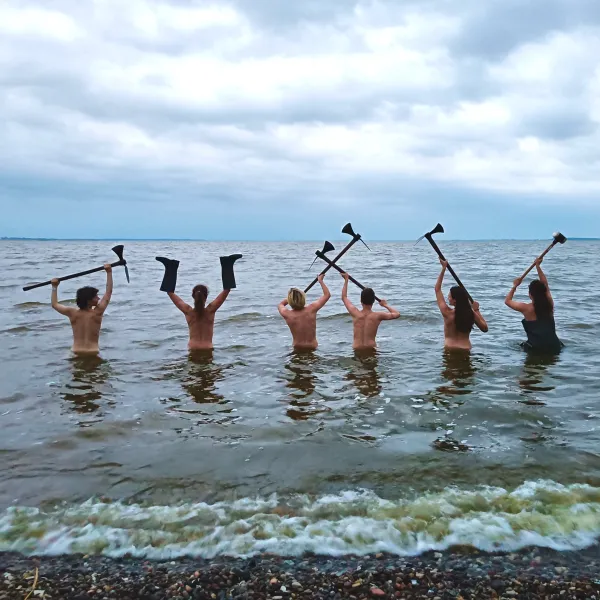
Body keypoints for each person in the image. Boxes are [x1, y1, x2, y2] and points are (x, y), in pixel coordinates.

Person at [504, 257, 562, 354]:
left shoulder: (526, 308)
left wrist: (515, 286)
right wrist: (538, 266)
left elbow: (507, 301)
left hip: (536, 348)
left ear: (530, 294)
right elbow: (545, 285)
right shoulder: (549, 304)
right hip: (555, 346)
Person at [50, 264, 113, 354]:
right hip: (93, 352)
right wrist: (109, 272)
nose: (99, 298)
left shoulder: (72, 313)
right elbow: (108, 292)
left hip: (76, 352)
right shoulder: (97, 312)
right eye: (96, 297)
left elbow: (54, 304)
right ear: (88, 300)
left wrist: (54, 287)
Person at [435, 259, 488, 350]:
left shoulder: (447, 313)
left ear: (455, 300)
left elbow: (437, 289)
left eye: (450, 296)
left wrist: (443, 268)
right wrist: (476, 310)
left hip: (450, 349)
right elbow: (485, 329)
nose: (448, 298)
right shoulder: (471, 314)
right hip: (466, 349)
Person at [340, 272, 400, 350]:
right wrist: (385, 305)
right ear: (373, 301)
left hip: (357, 348)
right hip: (371, 349)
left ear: (361, 301)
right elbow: (397, 314)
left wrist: (346, 280)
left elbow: (344, 297)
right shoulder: (378, 316)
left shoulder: (355, 313)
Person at [167, 285, 230, 351]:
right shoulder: (210, 310)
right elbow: (227, 290)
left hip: (193, 348)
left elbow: (170, 292)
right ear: (206, 296)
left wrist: (170, 274)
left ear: (193, 296)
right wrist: (227, 274)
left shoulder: (188, 311)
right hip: (207, 348)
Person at [278, 274, 331, 350]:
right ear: (303, 298)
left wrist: (290, 299)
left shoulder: (287, 314)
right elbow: (327, 295)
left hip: (297, 348)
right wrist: (321, 281)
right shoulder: (312, 309)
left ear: (290, 301)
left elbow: (281, 304)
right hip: (312, 347)